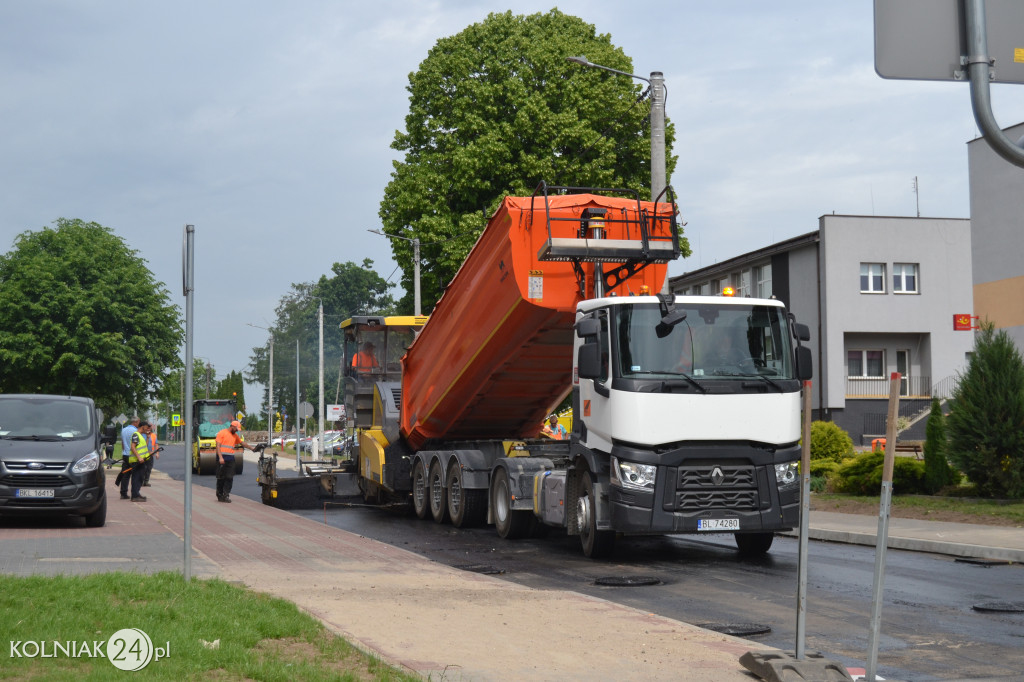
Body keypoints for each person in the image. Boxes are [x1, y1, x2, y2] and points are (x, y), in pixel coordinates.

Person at [215, 420, 254, 502]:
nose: (237, 430)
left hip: (230, 458)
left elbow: (242, 443)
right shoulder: (222, 433)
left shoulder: (235, 435)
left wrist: (252, 448)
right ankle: (219, 494)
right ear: (232, 426)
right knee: (221, 478)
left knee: (229, 477)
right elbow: (218, 446)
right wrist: (221, 457)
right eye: (236, 429)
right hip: (221, 458)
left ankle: (226, 495)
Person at [127, 421, 153, 502]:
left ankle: (137, 494)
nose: (148, 429)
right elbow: (133, 447)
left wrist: (148, 437)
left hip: (141, 461)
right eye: (147, 427)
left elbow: (143, 446)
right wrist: (139, 457)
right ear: (143, 427)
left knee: (140, 478)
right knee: (136, 478)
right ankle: (135, 496)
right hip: (137, 461)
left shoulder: (141, 436)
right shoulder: (136, 434)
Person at [119, 416, 140, 500]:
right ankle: (134, 493)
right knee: (135, 475)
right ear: (135, 422)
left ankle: (123, 493)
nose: (139, 424)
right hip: (133, 456)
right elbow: (135, 445)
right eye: (138, 422)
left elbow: (122, 443)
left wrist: (124, 452)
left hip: (125, 454)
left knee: (125, 475)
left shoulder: (123, 430)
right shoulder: (135, 431)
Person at [141, 423, 159, 487]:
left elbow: (156, 444)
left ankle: (146, 481)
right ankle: (142, 481)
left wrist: (157, 453)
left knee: (149, 468)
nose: (148, 429)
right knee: (143, 468)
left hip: (151, 455)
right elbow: (143, 445)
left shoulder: (153, 435)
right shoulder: (142, 435)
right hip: (143, 455)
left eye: (150, 427)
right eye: (147, 427)